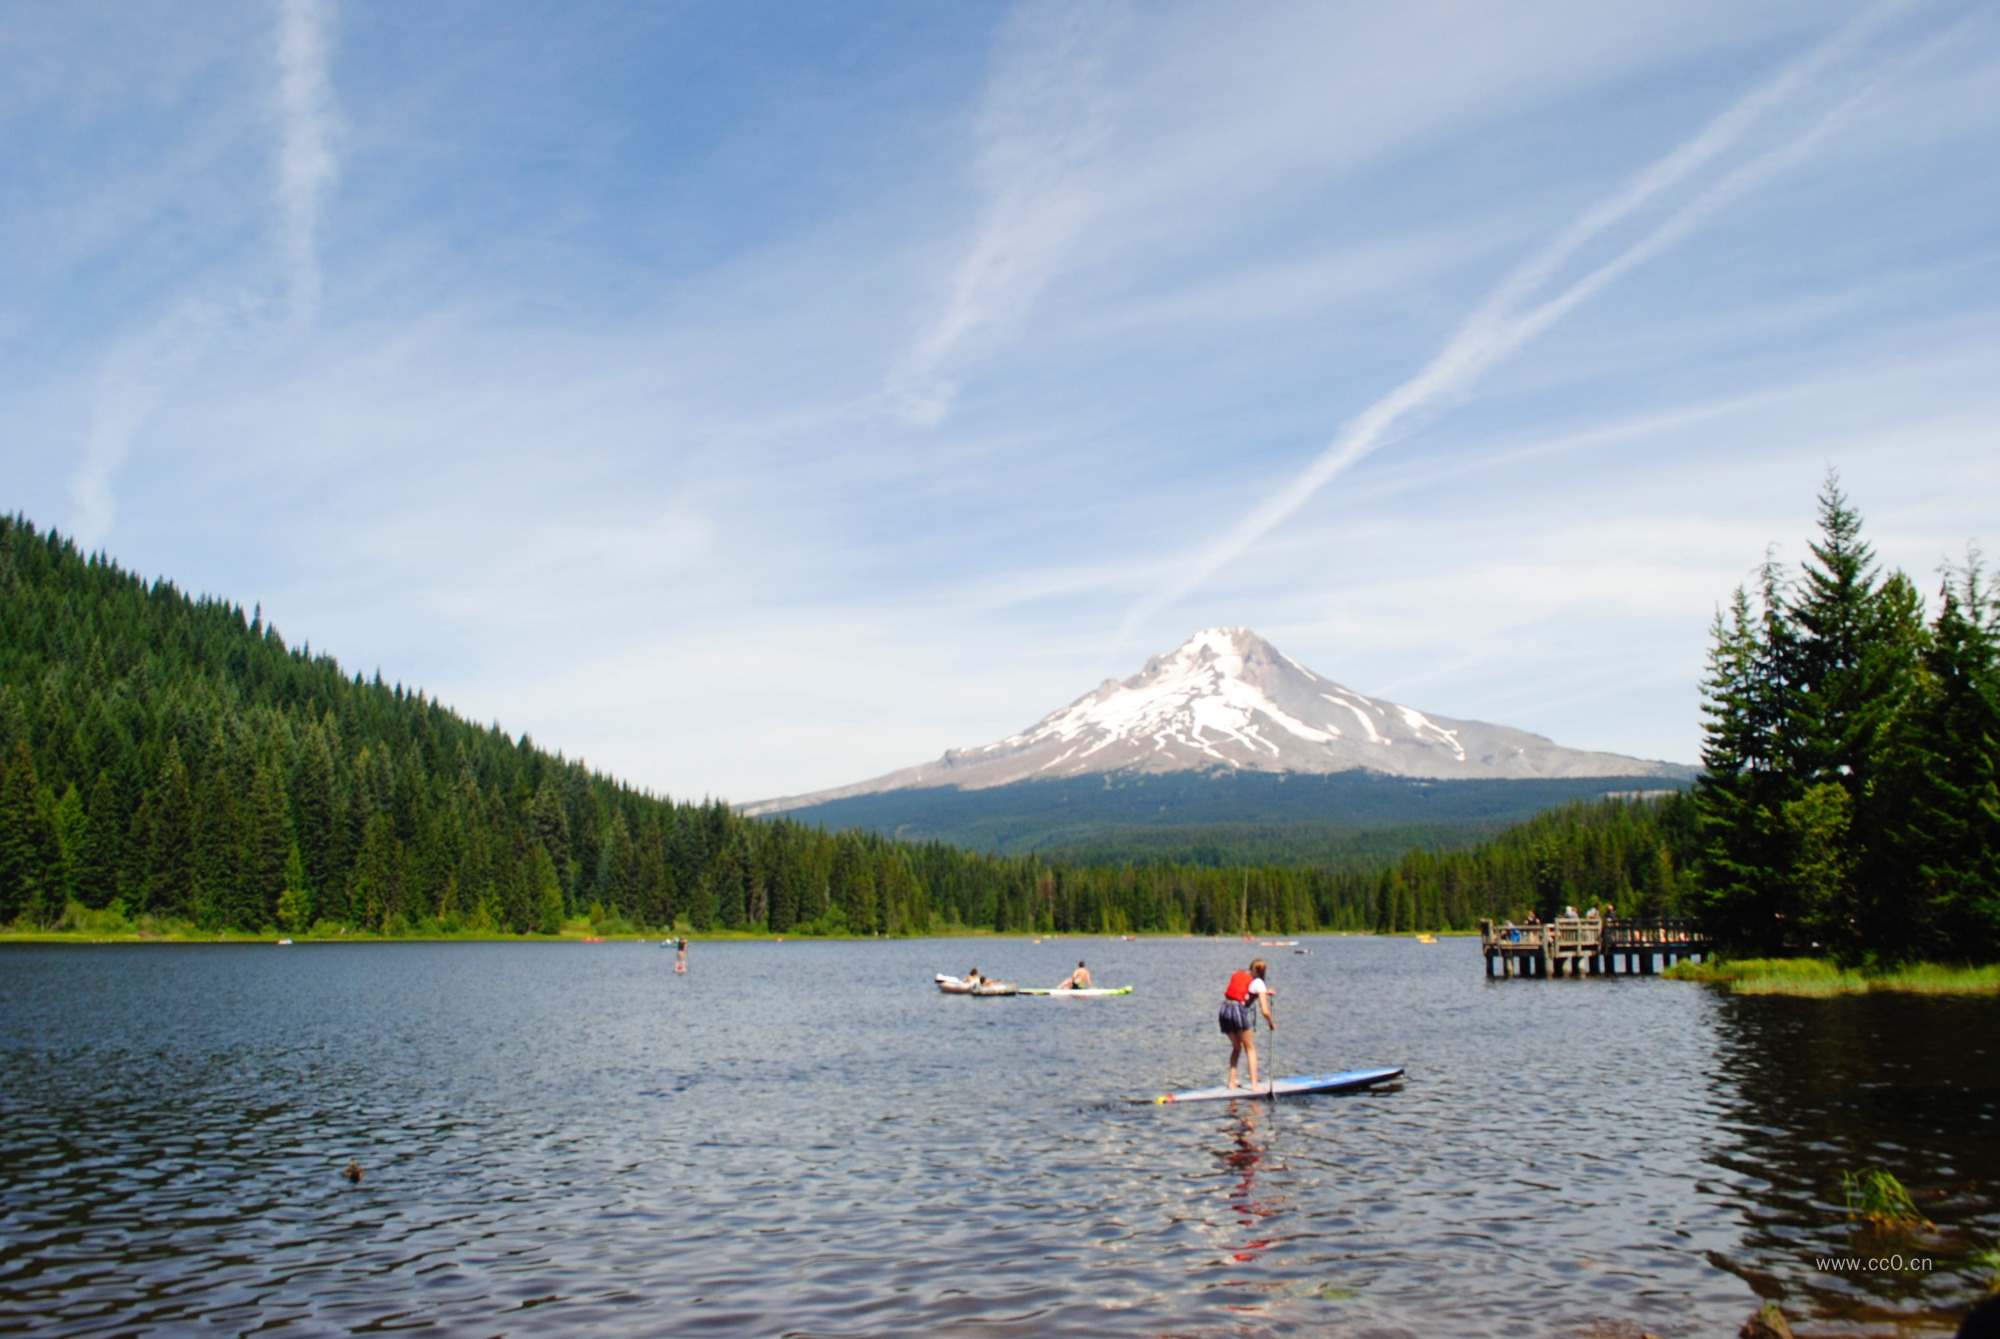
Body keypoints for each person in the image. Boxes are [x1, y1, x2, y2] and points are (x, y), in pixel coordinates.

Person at [1219, 958, 1275, 1090]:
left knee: (1237, 1047)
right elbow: (1265, 1011)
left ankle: (1231, 1082)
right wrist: (1271, 1023)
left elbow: (1245, 992)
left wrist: (1266, 992)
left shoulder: (1241, 975)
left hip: (1224, 1010)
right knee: (1250, 1048)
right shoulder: (1259, 983)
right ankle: (1254, 1085)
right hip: (1238, 1011)